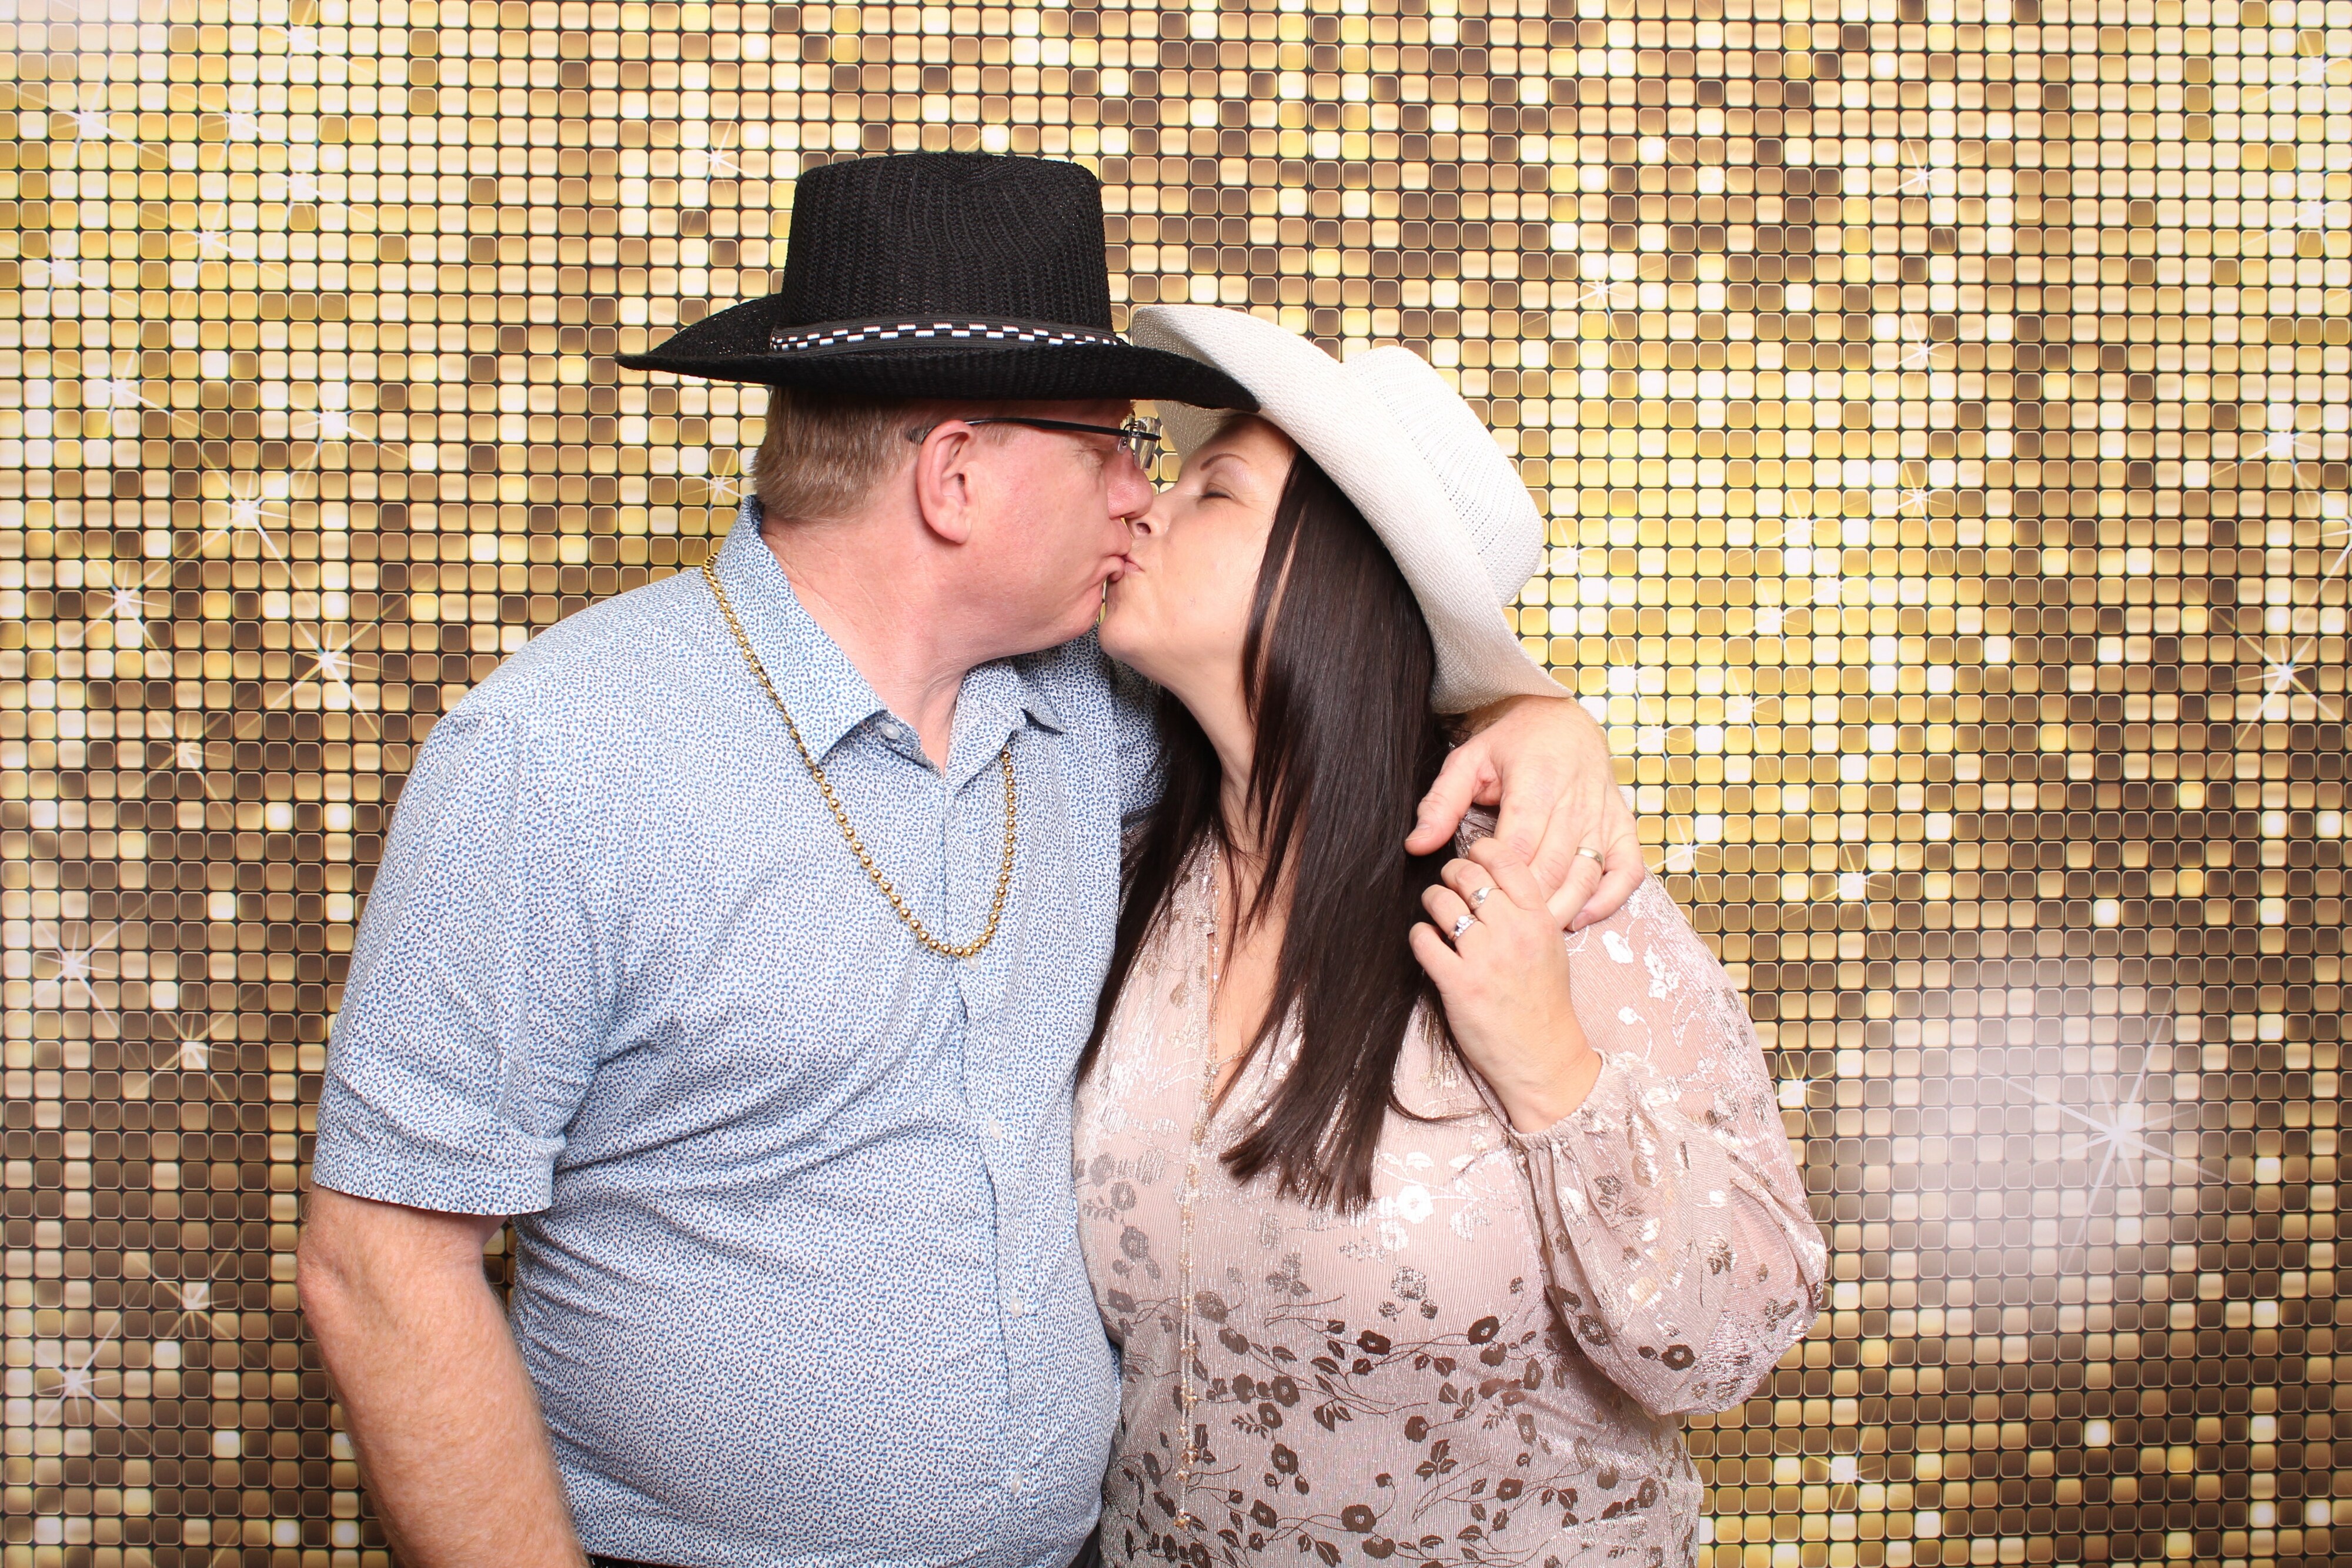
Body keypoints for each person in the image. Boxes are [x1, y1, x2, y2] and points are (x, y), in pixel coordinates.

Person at [295, 153, 1643, 1568]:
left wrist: (1530, 716)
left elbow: (1319, 705)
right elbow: (381, 1264)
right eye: (1109, 445)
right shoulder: (559, 754)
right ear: (953, 475)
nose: (1140, 493)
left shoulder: (1096, 716)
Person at [1075, 305, 1828, 1568]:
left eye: (1215, 490)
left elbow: (1732, 1341)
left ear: (1335, 582)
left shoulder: (1544, 880)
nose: (1146, 506)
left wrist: (1550, 1068)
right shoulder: (1124, 876)